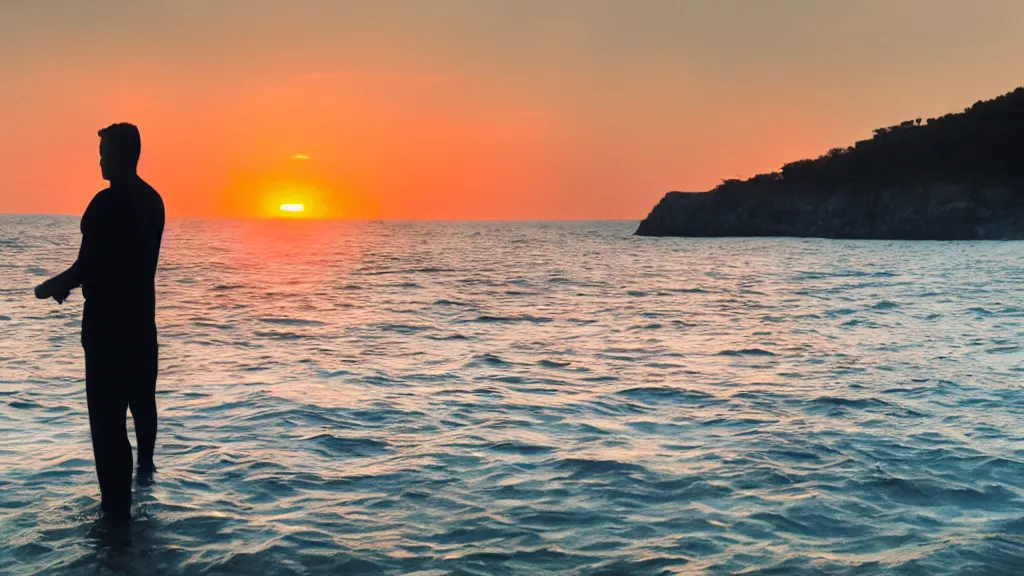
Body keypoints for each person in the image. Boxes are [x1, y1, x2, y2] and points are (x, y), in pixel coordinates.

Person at [35, 123, 165, 523]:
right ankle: (146, 476)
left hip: (109, 331)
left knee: (108, 429)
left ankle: (115, 525)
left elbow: (89, 264)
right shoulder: (153, 201)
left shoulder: (105, 203)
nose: (100, 159)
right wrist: (79, 278)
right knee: (140, 403)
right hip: (143, 325)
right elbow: (118, 262)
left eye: (105, 152)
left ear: (122, 155)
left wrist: (50, 287)